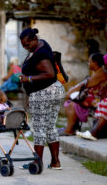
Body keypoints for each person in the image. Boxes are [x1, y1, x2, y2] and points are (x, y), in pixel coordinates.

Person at [18, 28, 65, 170]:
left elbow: (50, 73)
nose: (26, 48)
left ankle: (37, 163)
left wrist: (29, 78)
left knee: (39, 128)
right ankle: (55, 162)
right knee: (50, 126)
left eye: (27, 45)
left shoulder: (41, 53)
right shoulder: (42, 44)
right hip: (55, 91)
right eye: (24, 46)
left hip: (43, 93)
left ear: (33, 39)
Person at [61, 53, 107, 136]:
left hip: (99, 100)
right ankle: (71, 128)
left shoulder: (100, 74)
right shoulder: (97, 73)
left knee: (73, 103)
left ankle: (69, 129)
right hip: (94, 98)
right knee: (72, 101)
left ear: (95, 63)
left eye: (90, 62)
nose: (88, 64)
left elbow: (83, 85)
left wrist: (70, 92)